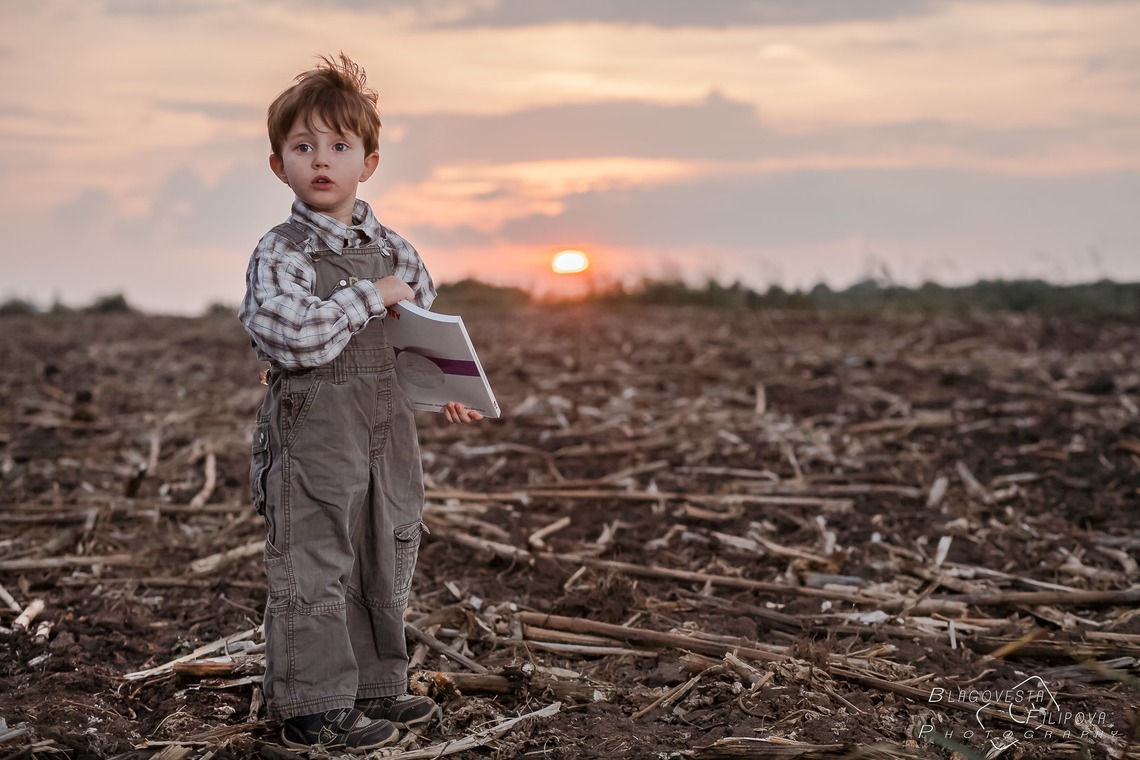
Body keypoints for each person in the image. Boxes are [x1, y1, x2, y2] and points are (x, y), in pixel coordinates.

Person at [239, 53, 483, 753]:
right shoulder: (280, 253)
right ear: (278, 163)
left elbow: (420, 331)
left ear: (368, 162)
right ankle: (313, 702)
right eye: (303, 146)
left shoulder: (396, 250)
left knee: (385, 542)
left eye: (339, 146)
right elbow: (293, 335)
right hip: (314, 429)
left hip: (386, 427)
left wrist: (447, 389)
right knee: (315, 553)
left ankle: (375, 685)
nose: (322, 160)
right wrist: (368, 296)